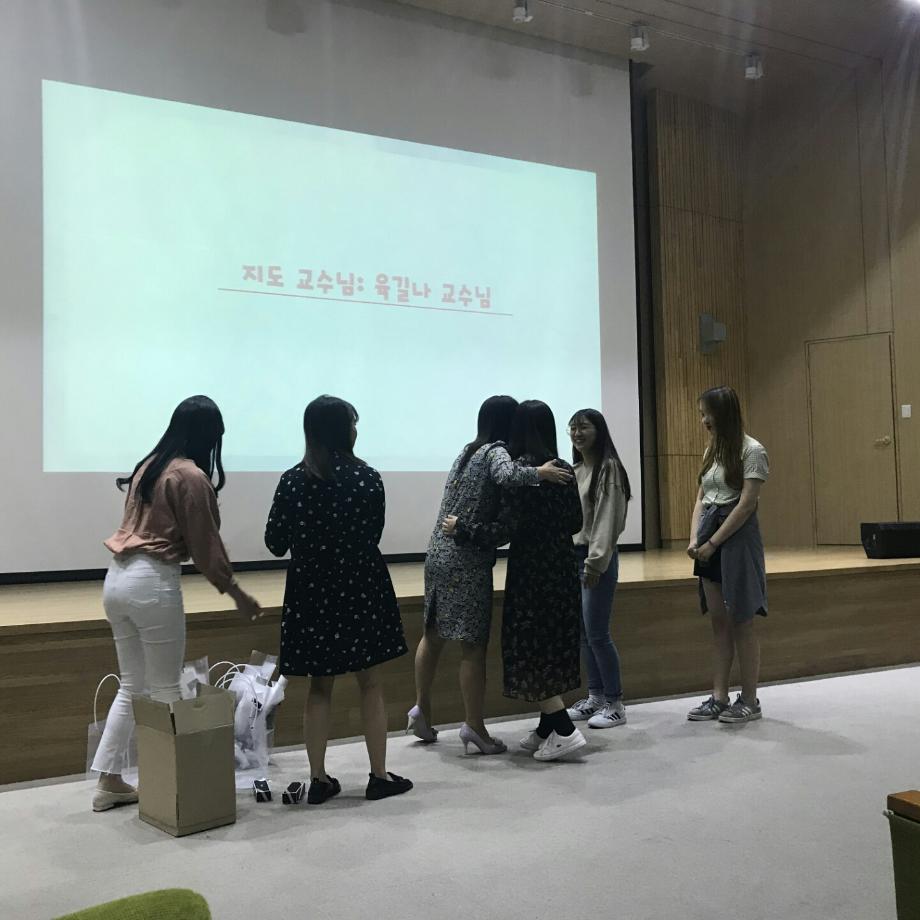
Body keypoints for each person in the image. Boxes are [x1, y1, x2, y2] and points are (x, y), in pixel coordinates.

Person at [92, 396, 262, 813]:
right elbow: (206, 547)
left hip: (116, 579)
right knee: (166, 687)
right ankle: (173, 788)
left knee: (132, 686)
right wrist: (236, 593)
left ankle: (109, 781)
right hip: (152, 583)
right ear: (210, 436)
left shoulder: (148, 466)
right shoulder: (190, 476)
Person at [265, 395, 412, 803]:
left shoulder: (292, 481)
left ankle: (318, 779)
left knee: (319, 686)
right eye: (353, 423)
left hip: (311, 591)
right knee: (370, 682)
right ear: (343, 431)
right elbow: (374, 534)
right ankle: (379, 775)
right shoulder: (368, 478)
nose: (356, 430)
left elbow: (274, 542)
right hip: (362, 586)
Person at [410, 395, 573, 755]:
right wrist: (541, 473)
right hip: (465, 557)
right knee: (472, 646)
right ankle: (475, 727)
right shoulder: (496, 451)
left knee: (432, 634)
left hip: (438, 551)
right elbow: (506, 475)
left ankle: (421, 707)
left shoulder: (466, 451)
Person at [686, 386, 769, 724]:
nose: (704, 420)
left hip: (737, 539)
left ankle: (749, 699)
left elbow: (746, 504)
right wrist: (695, 537)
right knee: (718, 621)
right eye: (702, 414)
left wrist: (713, 543)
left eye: (708, 413)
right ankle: (719, 696)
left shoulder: (753, 450)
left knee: (742, 620)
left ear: (724, 413)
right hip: (709, 535)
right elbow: (701, 497)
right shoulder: (712, 450)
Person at [565, 408, 631, 729]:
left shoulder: (609, 468)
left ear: (599, 431)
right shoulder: (576, 470)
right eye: (573, 428)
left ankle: (615, 703)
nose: (577, 433)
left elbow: (607, 520)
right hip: (574, 557)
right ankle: (595, 696)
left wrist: (595, 562)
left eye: (584, 427)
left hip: (595, 559)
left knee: (597, 633)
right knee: (583, 633)